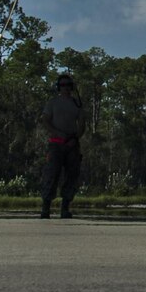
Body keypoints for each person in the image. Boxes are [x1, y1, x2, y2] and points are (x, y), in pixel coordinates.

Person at [38, 73, 85, 218]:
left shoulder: (76, 104)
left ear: (71, 87)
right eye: (62, 85)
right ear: (59, 87)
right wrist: (57, 133)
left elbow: (82, 125)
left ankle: (65, 208)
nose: (65, 87)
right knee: (51, 175)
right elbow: (45, 120)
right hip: (56, 144)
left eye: (68, 85)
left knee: (72, 176)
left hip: (72, 144)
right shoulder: (52, 102)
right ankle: (46, 208)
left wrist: (75, 138)